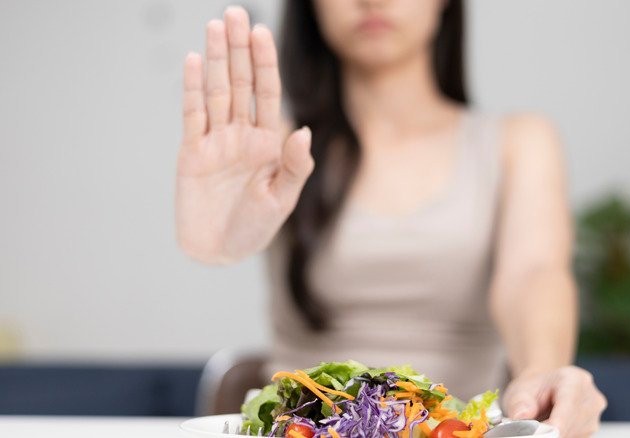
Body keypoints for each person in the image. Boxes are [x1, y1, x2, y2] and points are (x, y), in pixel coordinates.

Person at [175, 1, 606, 437]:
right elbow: (219, 238)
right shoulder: (272, 151)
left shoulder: (519, 142)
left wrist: (542, 372)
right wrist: (213, 243)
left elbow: (533, 273)